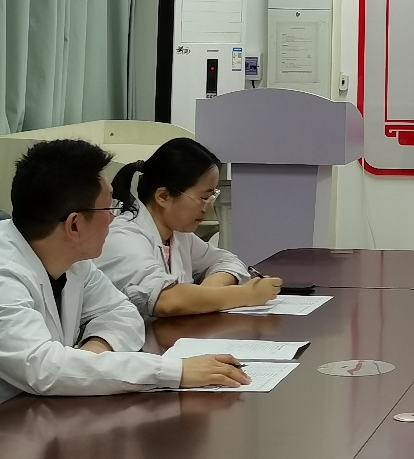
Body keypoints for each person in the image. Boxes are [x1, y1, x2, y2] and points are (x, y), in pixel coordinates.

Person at [0, 139, 248, 403]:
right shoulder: (6, 274)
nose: (114, 217)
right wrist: (174, 371)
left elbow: (122, 313)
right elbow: (43, 368)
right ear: (74, 225)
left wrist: (94, 352)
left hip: (42, 410)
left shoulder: (75, 261)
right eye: (109, 207)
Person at [97, 138, 282, 318]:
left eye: (212, 197)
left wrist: (208, 291)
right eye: (203, 198)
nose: (208, 208)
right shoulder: (123, 236)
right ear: (163, 196)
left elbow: (227, 260)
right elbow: (166, 300)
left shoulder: (177, 235)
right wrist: (246, 295)